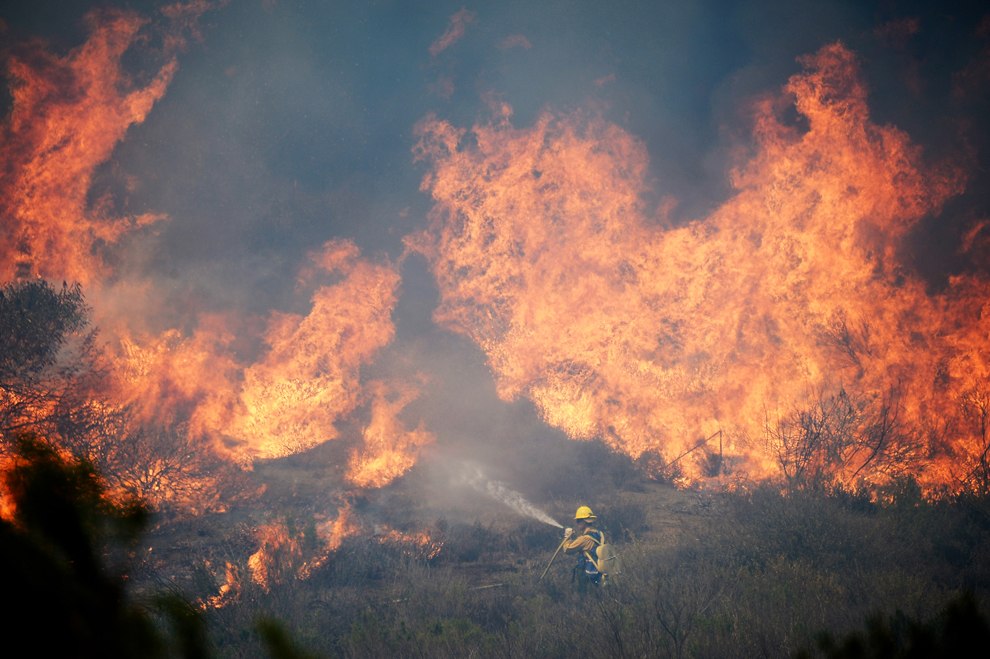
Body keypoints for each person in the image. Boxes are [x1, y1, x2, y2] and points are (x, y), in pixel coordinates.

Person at [562, 505, 605, 590]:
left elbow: (567, 550)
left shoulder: (584, 539)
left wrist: (567, 536)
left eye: (578, 521)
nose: (577, 523)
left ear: (584, 522)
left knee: (586, 597)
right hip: (599, 574)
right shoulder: (599, 533)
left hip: (588, 578)